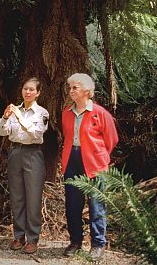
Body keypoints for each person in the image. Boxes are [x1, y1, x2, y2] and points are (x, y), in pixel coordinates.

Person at [61, 73, 119, 261]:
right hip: (72, 161)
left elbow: (112, 139)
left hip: (94, 163)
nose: (71, 91)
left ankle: (98, 245)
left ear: (87, 91)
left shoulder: (100, 113)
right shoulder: (67, 113)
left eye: (75, 88)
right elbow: (67, 137)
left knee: (96, 205)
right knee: (72, 204)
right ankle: (75, 242)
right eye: (70, 87)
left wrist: (98, 156)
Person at [0, 77, 49, 255]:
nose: (28, 92)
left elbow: (36, 134)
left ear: (38, 93)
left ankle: (32, 239)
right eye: (25, 89)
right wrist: (5, 118)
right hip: (15, 152)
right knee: (17, 196)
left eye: (32, 89)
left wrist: (19, 118)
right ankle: (19, 236)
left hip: (33, 154)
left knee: (33, 198)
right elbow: (1, 131)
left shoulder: (42, 113)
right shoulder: (14, 110)